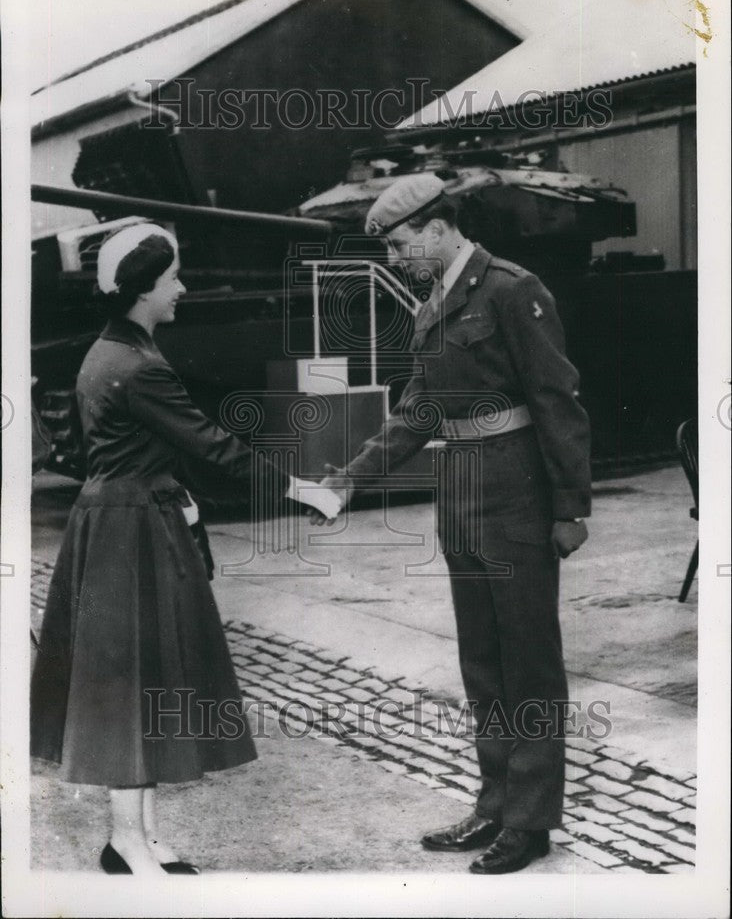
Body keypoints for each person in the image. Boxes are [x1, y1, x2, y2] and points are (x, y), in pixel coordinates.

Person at [30, 222, 340, 876]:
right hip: (131, 531)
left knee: (145, 676)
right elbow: (212, 445)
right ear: (144, 290)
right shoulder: (139, 367)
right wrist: (298, 488)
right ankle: (127, 840)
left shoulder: (110, 350)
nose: (183, 289)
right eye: (173, 279)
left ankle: (137, 837)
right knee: (133, 682)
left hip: (121, 521)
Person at [313, 173, 591, 875]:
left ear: (437, 228)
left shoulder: (511, 289)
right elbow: (420, 410)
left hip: (517, 493)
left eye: (400, 244)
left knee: (529, 664)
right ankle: (495, 802)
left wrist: (569, 507)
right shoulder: (435, 302)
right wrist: (350, 478)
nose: (394, 259)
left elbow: (557, 398)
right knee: (482, 662)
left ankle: (530, 821)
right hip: (462, 492)